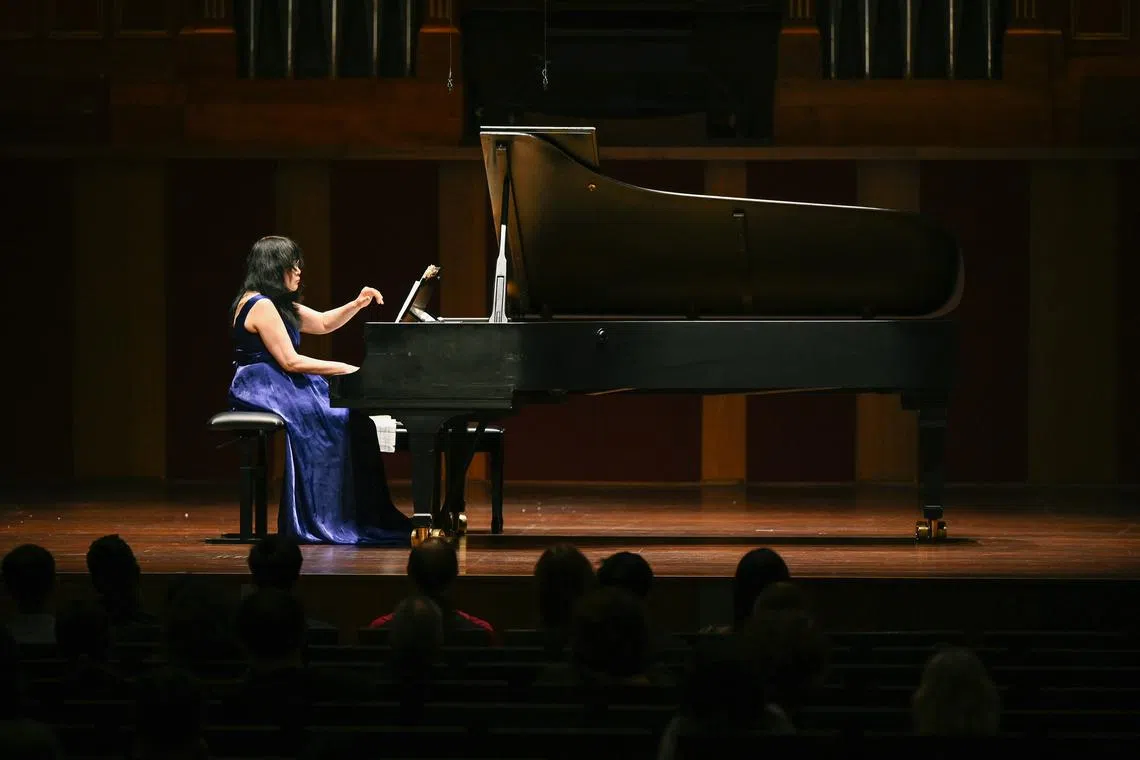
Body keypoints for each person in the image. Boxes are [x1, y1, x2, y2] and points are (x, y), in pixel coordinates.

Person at [228, 235, 410, 545]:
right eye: (292, 265)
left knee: (355, 420)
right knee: (334, 421)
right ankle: (330, 517)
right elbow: (290, 361)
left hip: (280, 383)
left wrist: (357, 303)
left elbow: (324, 323)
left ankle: (357, 513)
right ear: (273, 268)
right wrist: (345, 367)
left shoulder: (277, 304)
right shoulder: (260, 305)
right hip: (261, 385)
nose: (299, 271)